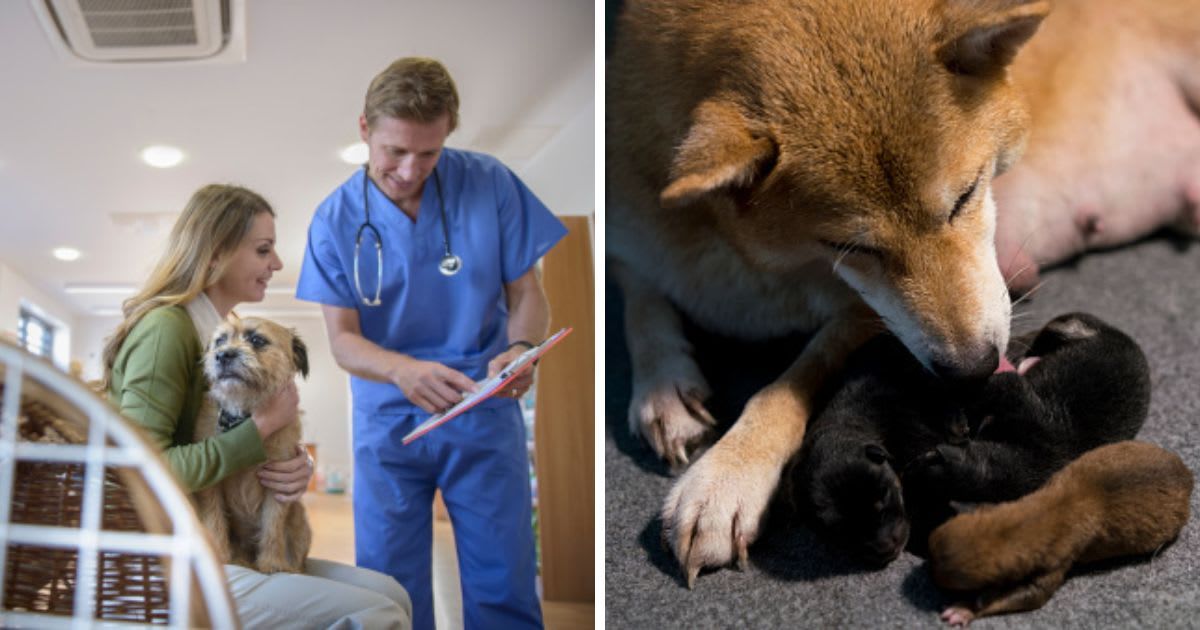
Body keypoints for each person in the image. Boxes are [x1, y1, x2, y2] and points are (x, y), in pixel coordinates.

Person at [295, 57, 567, 630]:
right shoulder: (333, 220)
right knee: (390, 588)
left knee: (504, 581)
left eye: (429, 153)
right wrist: (402, 371)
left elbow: (528, 293)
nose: (410, 169)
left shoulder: (490, 183)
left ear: (448, 135)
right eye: (395, 151)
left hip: (482, 407)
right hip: (389, 418)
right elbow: (343, 342)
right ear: (365, 127)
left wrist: (520, 349)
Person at [103, 183, 413, 629]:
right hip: (159, 563)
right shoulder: (166, 330)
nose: (278, 264)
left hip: (209, 544)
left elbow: (222, 438)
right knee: (378, 612)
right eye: (264, 249)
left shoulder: (213, 332)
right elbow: (139, 472)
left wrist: (294, 462)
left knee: (391, 593)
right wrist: (262, 428)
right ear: (217, 252)